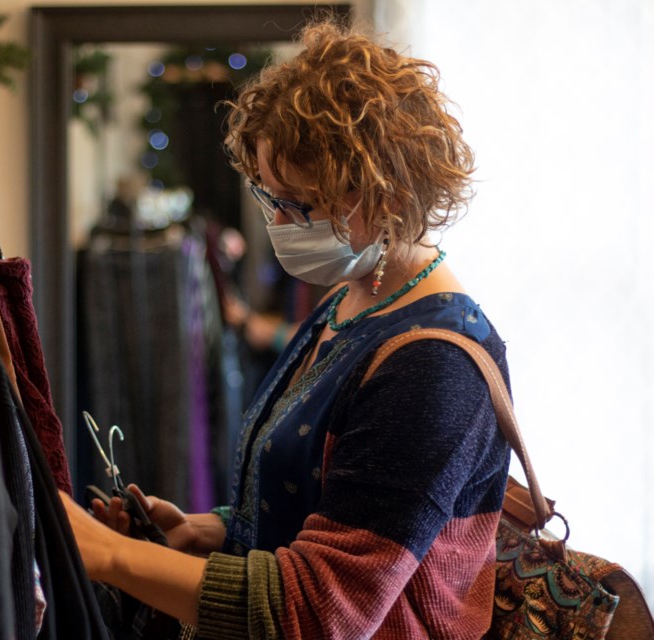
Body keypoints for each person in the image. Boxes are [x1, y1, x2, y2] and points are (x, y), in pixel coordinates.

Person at [60, 17, 512, 640]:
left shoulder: (433, 368)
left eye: (298, 204)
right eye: (269, 196)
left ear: (381, 195)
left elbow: (323, 609)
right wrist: (212, 530)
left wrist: (111, 555)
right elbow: (329, 506)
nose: (277, 221)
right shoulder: (354, 301)